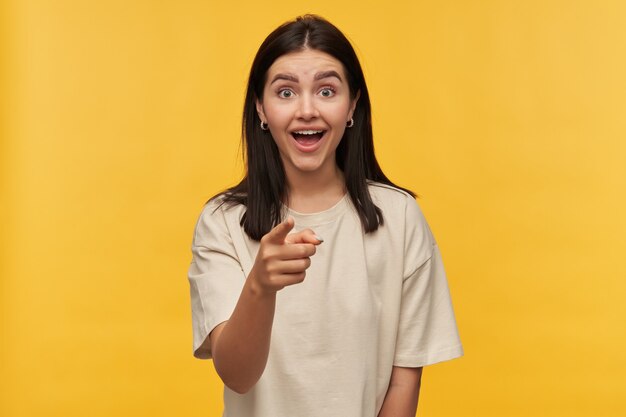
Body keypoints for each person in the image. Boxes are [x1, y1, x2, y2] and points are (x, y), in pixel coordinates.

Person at [188, 14, 463, 417]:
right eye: (285, 92)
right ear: (261, 109)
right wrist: (260, 288)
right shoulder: (222, 222)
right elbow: (237, 375)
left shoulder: (400, 218)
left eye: (326, 90)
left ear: (352, 104)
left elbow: (404, 377)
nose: (306, 110)